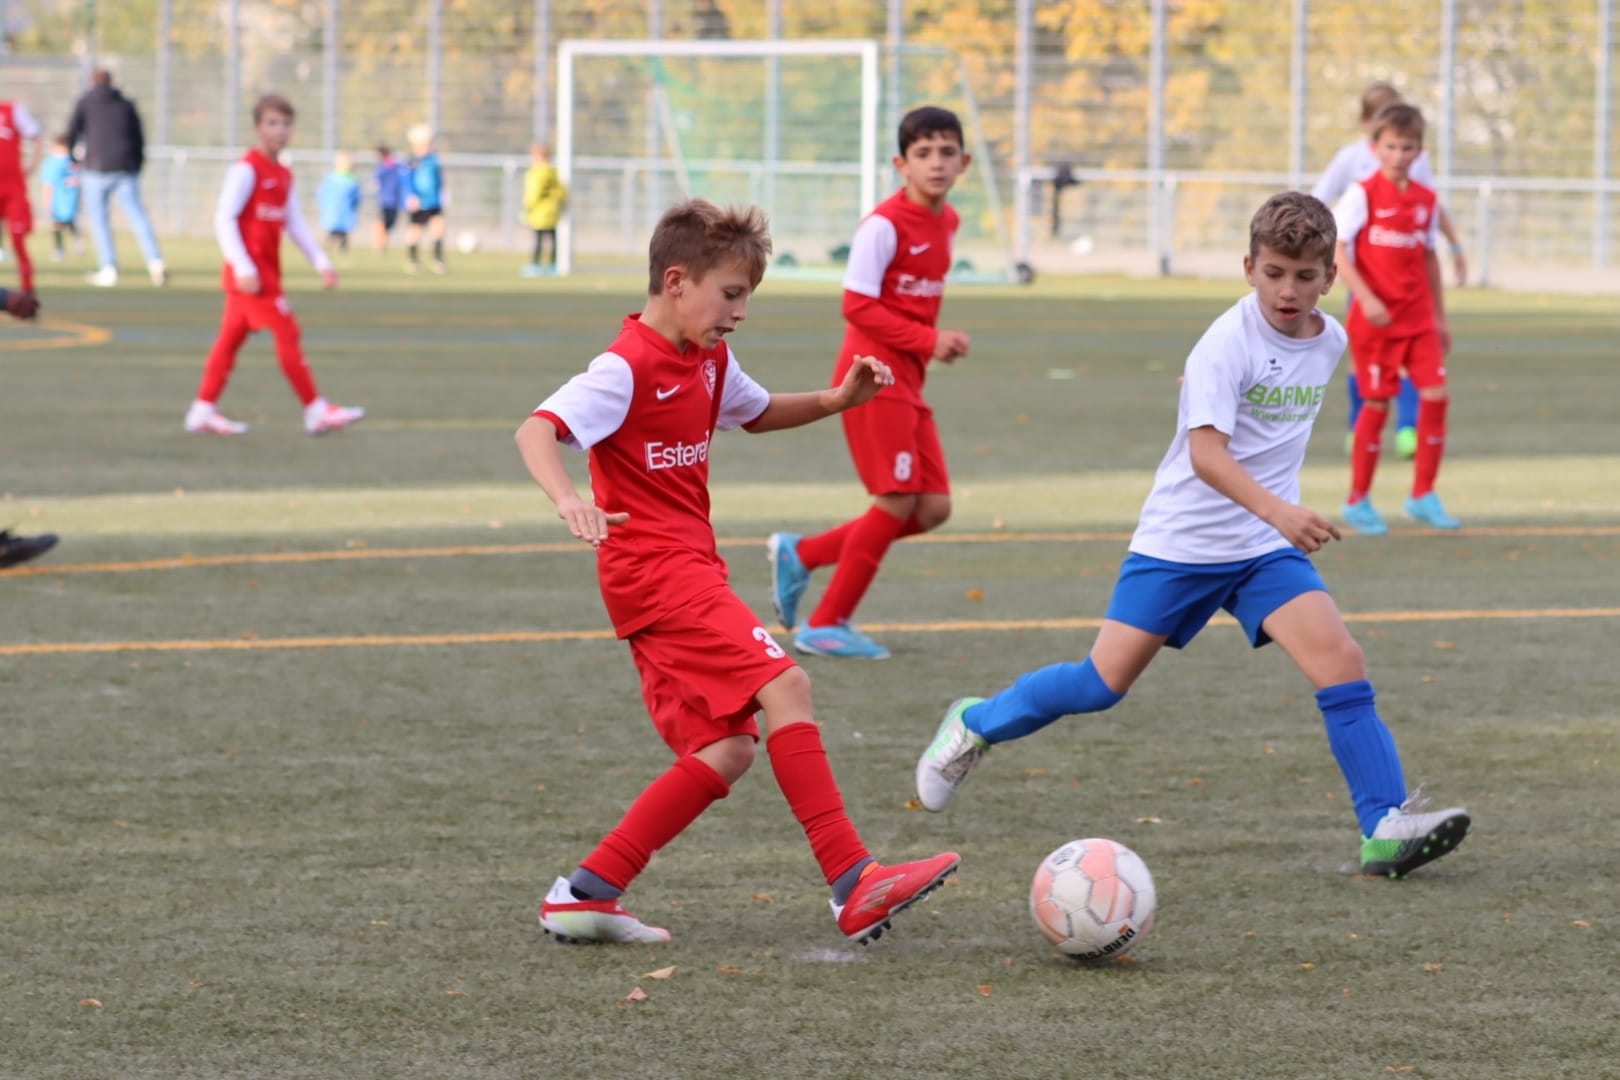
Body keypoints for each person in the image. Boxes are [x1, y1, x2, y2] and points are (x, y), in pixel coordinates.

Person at [914, 192, 1471, 881]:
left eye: (1305, 276)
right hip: (1183, 543)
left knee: (1341, 660)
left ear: (1331, 276)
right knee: (1100, 684)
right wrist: (1280, 510)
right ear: (1248, 268)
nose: (1288, 290)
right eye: (1274, 273)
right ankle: (975, 723)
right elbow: (1206, 456)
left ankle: (1383, 825)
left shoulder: (1330, 339)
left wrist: (1270, 518)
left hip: (1260, 548)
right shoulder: (1224, 344)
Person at [515, 198, 960, 945]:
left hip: (680, 571)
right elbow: (537, 430)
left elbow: (755, 411)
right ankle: (853, 880)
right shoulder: (626, 367)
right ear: (677, 281)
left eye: (746, 296)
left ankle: (586, 891)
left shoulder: (708, 360)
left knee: (726, 749)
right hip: (655, 572)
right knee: (787, 685)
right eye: (730, 294)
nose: (740, 312)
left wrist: (837, 400)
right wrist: (569, 499)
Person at [765, 105, 974, 660]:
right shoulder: (884, 224)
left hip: (909, 379)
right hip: (872, 377)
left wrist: (929, 345)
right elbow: (856, 305)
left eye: (947, 152)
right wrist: (930, 340)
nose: (936, 163)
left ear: (964, 162)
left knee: (933, 508)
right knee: (896, 499)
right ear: (901, 165)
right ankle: (826, 623)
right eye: (923, 154)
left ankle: (804, 554)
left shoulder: (948, 222)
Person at [184, 94, 365, 437]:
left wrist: (321, 262)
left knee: (228, 341)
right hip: (253, 277)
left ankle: (202, 410)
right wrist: (243, 267)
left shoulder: (283, 174)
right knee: (287, 332)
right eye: (272, 123)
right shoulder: (245, 169)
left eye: (285, 124)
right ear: (257, 128)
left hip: (265, 273)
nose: (280, 130)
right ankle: (315, 410)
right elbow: (224, 218)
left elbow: (293, 222)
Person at [1313, 83, 1467, 462]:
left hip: (1409, 283)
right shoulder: (1352, 161)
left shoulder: (1416, 162)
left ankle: (1407, 428)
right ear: (1368, 125)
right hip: (1365, 276)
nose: (1399, 153)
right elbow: (1318, 199)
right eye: (1383, 121)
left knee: (1414, 356)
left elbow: (1430, 208)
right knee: (1367, 361)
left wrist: (1455, 245)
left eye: (1407, 145)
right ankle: (1359, 427)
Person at [1332, 103, 1458, 534]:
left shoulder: (1426, 200)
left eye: (1407, 148)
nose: (1399, 155)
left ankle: (1423, 494)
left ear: (1420, 151)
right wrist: (1365, 298)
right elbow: (1337, 249)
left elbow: (1429, 258)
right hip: (1377, 322)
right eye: (1391, 146)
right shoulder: (1362, 194)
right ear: (1375, 147)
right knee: (1377, 404)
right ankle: (1357, 500)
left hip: (1418, 319)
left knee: (1437, 396)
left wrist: (1440, 317)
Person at [65, 69, 166, 287]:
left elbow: (72, 132)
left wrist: (73, 157)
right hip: (125, 167)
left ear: (92, 82)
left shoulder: (86, 102)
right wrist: (137, 163)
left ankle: (108, 267)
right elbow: (139, 137)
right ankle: (155, 261)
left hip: (95, 167)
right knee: (138, 216)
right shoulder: (126, 104)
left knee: (100, 220)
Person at [0, 98, 43, 294]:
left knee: (18, 239)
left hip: (13, 190)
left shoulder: (12, 110)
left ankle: (28, 290)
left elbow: (36, 135)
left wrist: (33, 163)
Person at [403, 124, 446, 274]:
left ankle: (438, 259)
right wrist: (411, 196)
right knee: (415, 230)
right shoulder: (413, 161)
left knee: (438, 228)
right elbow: (407, 180)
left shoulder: (433, 160)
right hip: (418, 202)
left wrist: (443, 194)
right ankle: (413, 260)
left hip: (433, 201)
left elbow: (438, 179)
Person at [520, 142, 566, 278]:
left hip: (539, 213)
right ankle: (553, 265)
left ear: (538, 157)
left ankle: (535, 265)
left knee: (538, 240)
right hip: (553, 211)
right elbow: (562, 192)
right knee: (553, 239)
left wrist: (527, 205)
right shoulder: (554, 172)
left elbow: (534, 192)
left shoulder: (536, 173)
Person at [39, 134, 83, 261]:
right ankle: (61, 248)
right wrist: (47, 202)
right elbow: (48, 184)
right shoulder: (57, 162)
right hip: (59, 199)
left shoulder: (69, 161)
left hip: (68, 198)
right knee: (59, 223)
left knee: (67, 221)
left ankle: (75, 244)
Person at [317, 151, 361, 253]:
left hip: (333, 211)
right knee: (341, 230)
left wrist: (323, 205)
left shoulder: (331, 178)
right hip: (343, 211)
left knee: (335, 229)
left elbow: (321, 194)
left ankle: (333, 244)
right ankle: (338, 245)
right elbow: (357, 198)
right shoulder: (352, 180)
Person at [370, 144, 407, 253]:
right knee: (383, 223)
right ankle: (379, 245)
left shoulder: (394, 166)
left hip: (394, 201)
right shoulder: (384, 167)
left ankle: (381, 244)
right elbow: (375, 182)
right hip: (385, 200)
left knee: (389, 224)